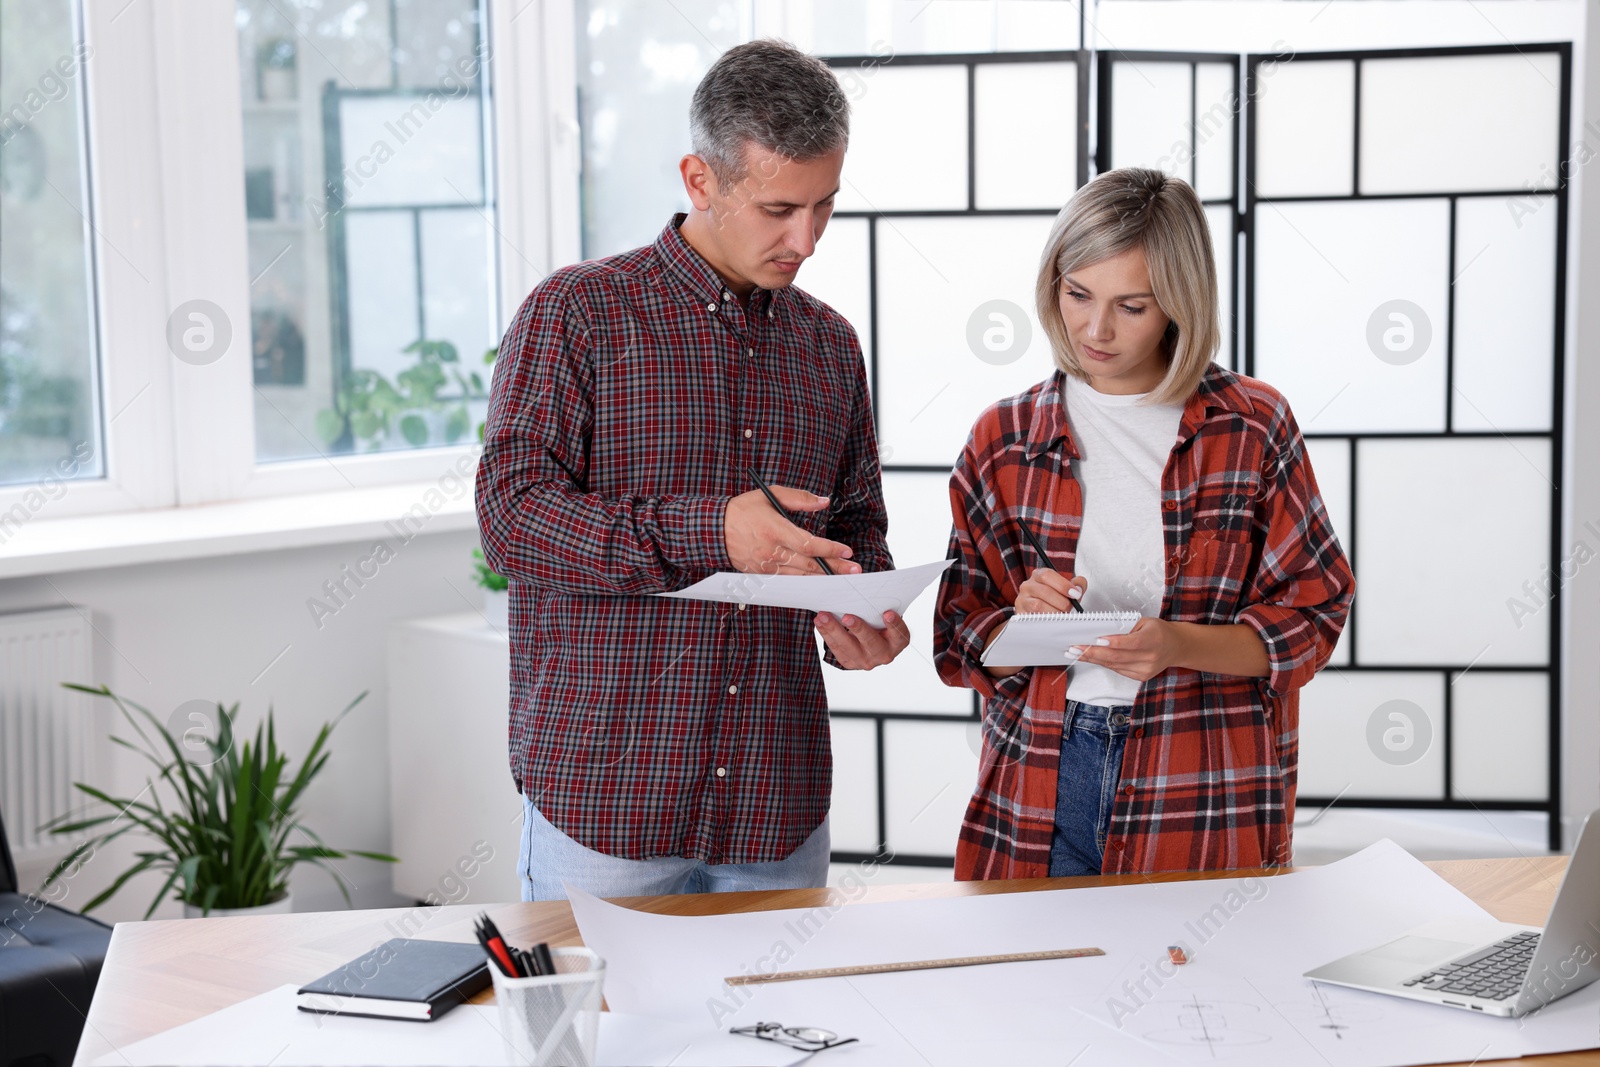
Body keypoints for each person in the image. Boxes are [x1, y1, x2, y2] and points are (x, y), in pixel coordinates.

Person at [476, 40, 910, 901]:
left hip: (774, 807)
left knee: (776, 1038)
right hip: (606, 809)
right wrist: (713, 532)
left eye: (825, 206)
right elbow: (513, 519)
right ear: (700, 179)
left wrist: (869, 618)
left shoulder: (830, 345)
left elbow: (860, 533)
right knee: (599, 1039)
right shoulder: (577, 316)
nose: (807, 240)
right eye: (780, 208)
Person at [933, 167, 1354, 879]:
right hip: (1043, 772)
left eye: (1132, 306)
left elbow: (1315, 616)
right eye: (1077, 294)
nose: (1095, 329)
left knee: (1202, 985)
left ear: (1179, 304)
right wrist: (1020, 626)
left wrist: (1176, 644)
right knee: (1036, 979)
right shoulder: (1002, 439)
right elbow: (960, 636)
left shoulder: (1251, 426)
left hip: (1203, 771)